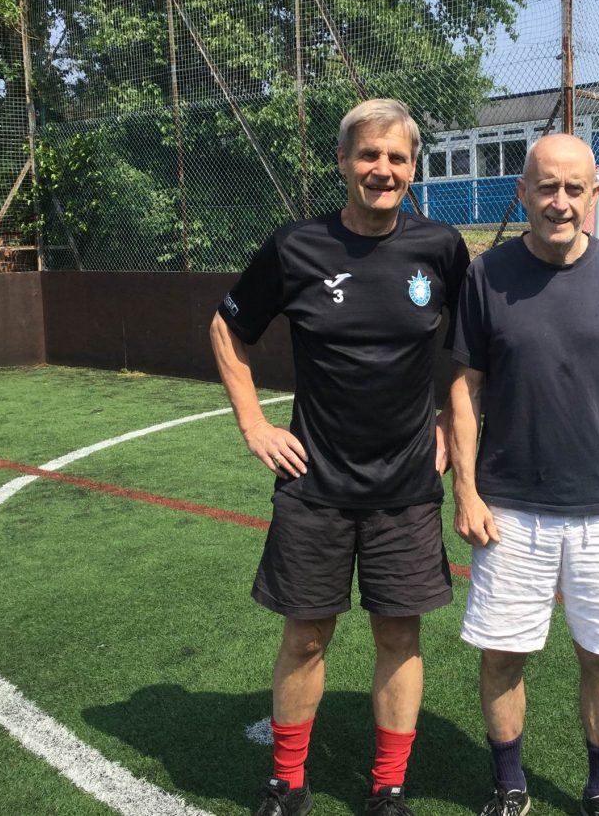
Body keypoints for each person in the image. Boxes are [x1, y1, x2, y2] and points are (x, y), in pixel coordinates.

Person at [210, 99, 470, 816]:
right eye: (368, 155)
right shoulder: (295, 247)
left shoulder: (442, 248)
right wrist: (252, 423)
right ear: (342, 162)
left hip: (409, 485)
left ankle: (388, 789)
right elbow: (227, 330)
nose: (382, 170)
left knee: (398, 634)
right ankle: (287, 784)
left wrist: (450, 420)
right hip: (313, 484)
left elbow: (469, 351)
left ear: (413, 169)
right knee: (305, 636)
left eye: (396, 158)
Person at [447, 133, 599, 816]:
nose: (561, 201)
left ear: (594, 195)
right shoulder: (486, 276)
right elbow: (463, 388)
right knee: (502, 658)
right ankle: (510, 785)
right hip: (510, 509)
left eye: (575, 188)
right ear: (523, 192)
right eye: (547, 187)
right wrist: (465, 490)